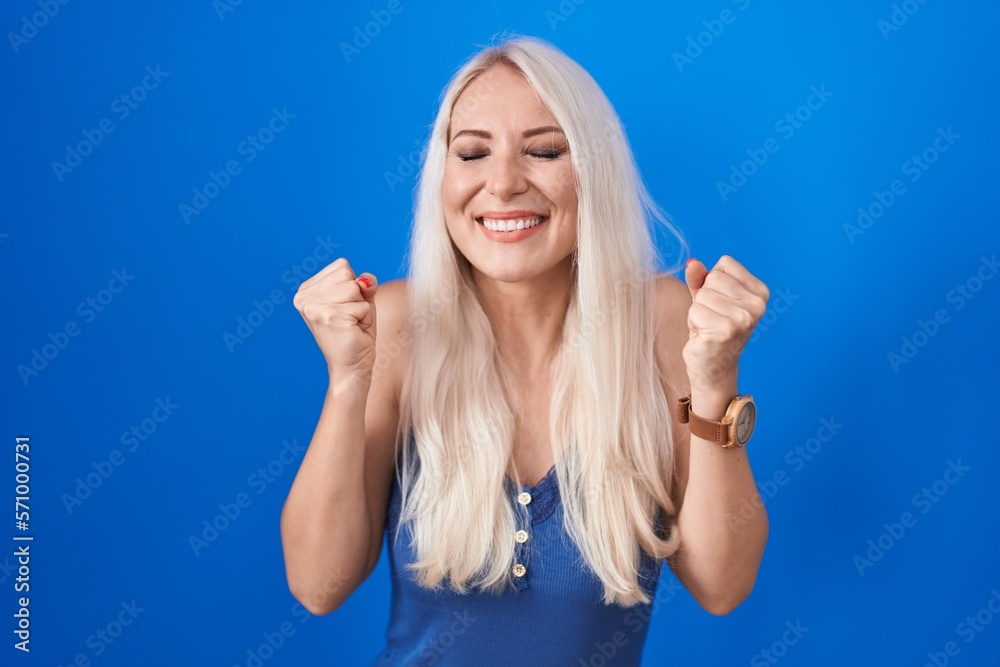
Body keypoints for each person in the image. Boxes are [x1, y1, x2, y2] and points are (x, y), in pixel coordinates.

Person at [280, 34, 770, 665]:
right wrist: (349, 378)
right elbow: (318, 585)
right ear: (442, 176)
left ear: (593, 169)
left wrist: (717, 382)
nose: (504, 183)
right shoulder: (397, 324)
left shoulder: (664, 322)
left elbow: (723, 585)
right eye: (473, 153)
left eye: (542, 151)